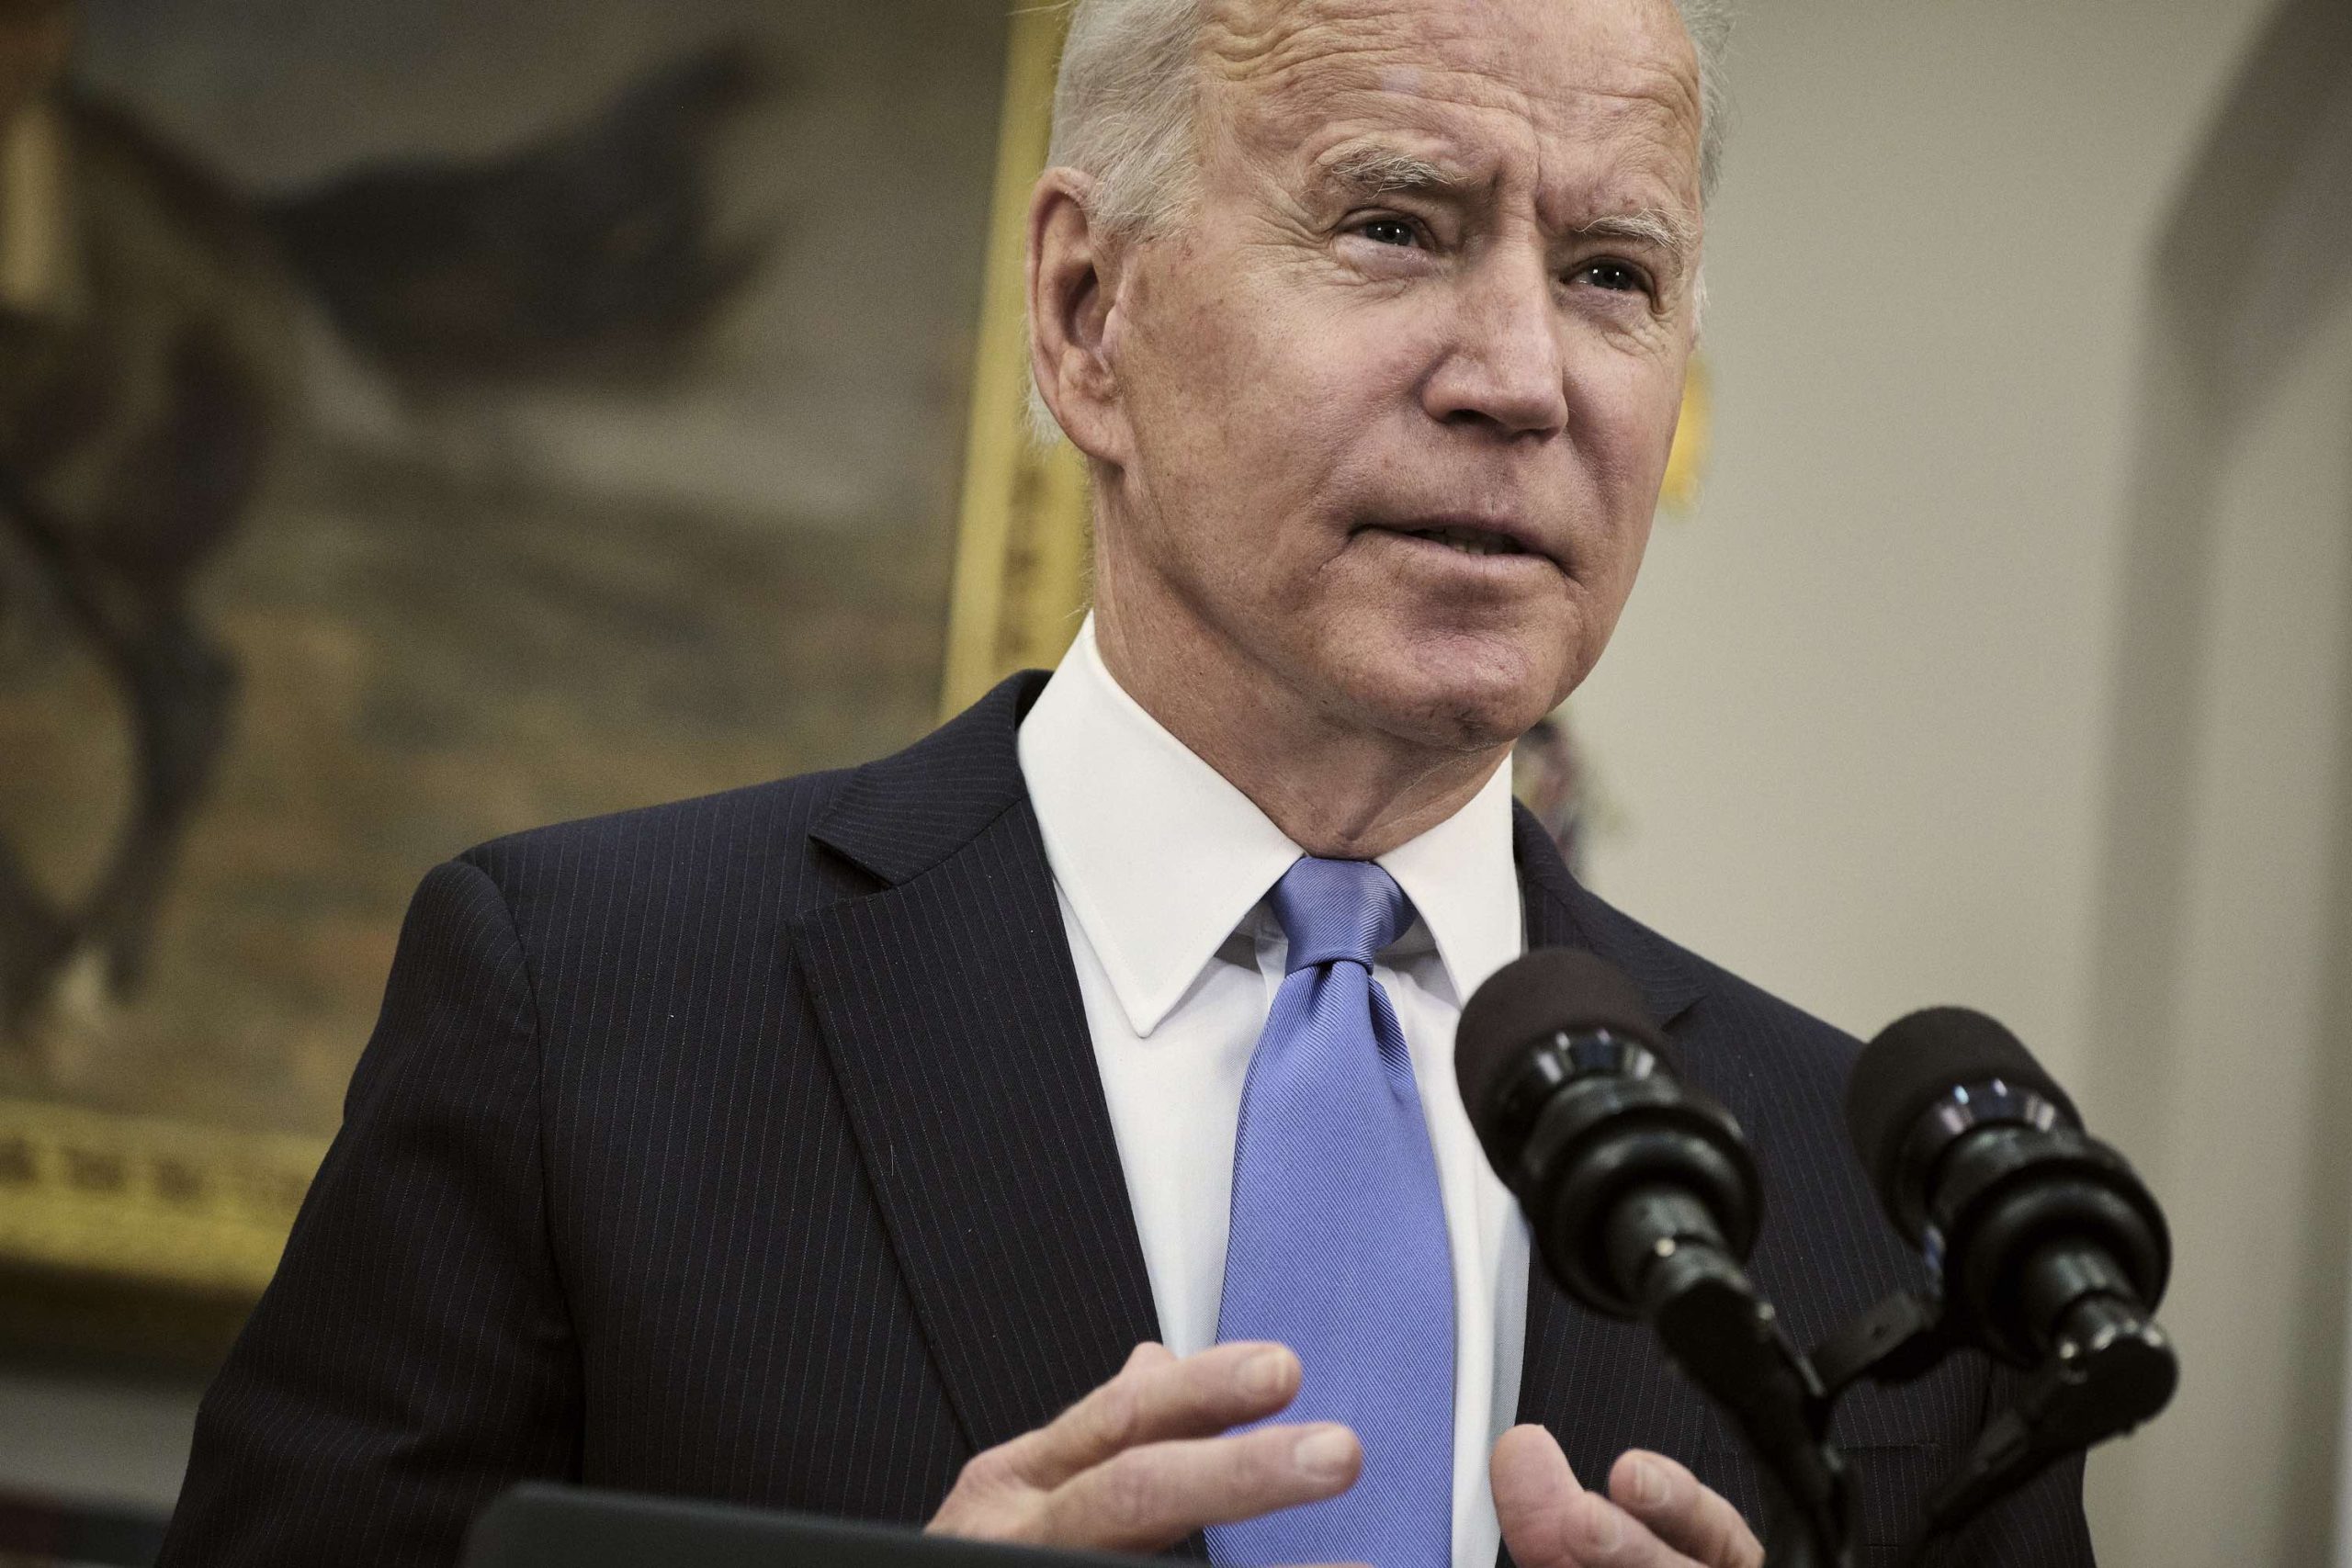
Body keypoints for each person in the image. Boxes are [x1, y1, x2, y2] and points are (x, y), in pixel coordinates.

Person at [159, 1, 2095, 1565]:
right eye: (1395, 225)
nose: (1519, 371)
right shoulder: (581, 1009)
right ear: (1087, 312)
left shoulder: (1886, 1206)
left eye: (1609, 271)